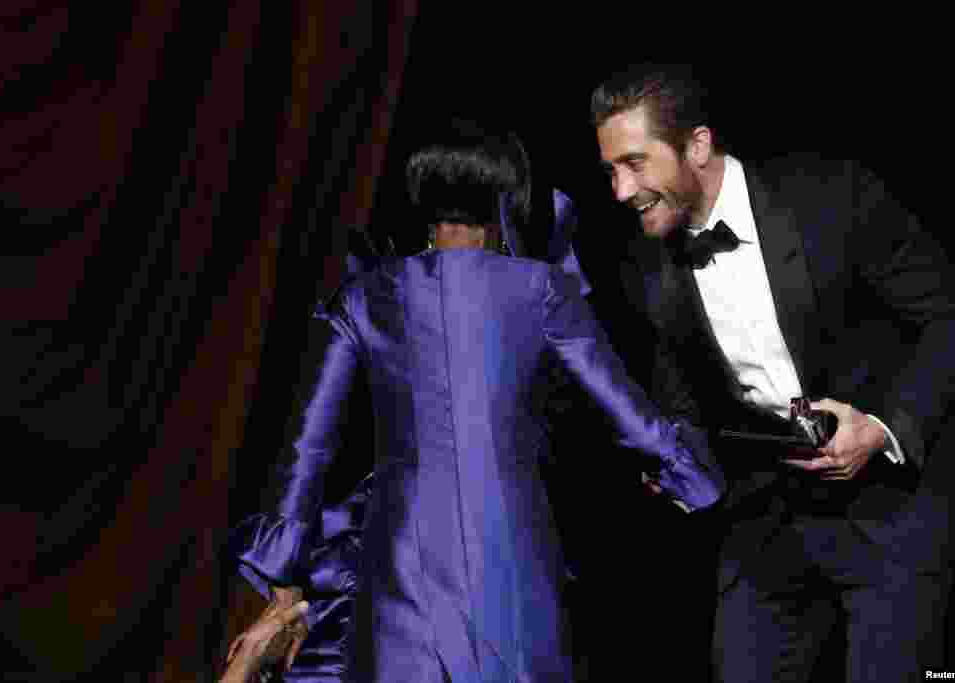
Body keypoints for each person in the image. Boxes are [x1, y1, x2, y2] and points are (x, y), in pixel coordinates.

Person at [227, 119, 724, 683]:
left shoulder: (365, 297)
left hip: (398, 559)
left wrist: (284, 569)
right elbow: (629, 417)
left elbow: (309, 447)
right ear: (505, 199)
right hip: (509, 555)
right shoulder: (542, 290)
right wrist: (696, 479)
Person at [591, 62, 955, 682]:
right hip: (767, 522)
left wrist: (881, 427)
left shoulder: (832, 197)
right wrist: (673, 457)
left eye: (635, 163)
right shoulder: (646, 264)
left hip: (891, 515)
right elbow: (682, 400)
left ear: (698, 145)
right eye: (610, 170)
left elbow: (952, 318)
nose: (621, 191)